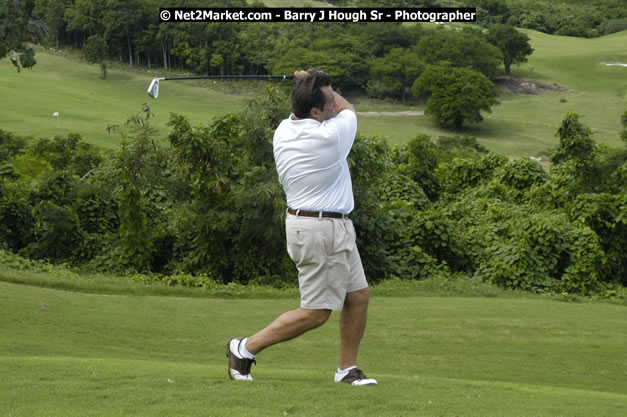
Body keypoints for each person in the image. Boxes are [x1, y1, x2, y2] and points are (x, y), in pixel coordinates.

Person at [226, 69, 377, 386]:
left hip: (328, 225)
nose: (335, 106)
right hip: (319, 230)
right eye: (329, 102)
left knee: (358, 296)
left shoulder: (284, 128)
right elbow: (350, 110)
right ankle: (244, 348)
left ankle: (346, 369)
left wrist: (309, 83)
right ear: (315, 112)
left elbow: (321, 106)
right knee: (316, 312)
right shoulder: (331, 136)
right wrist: (319, 82)